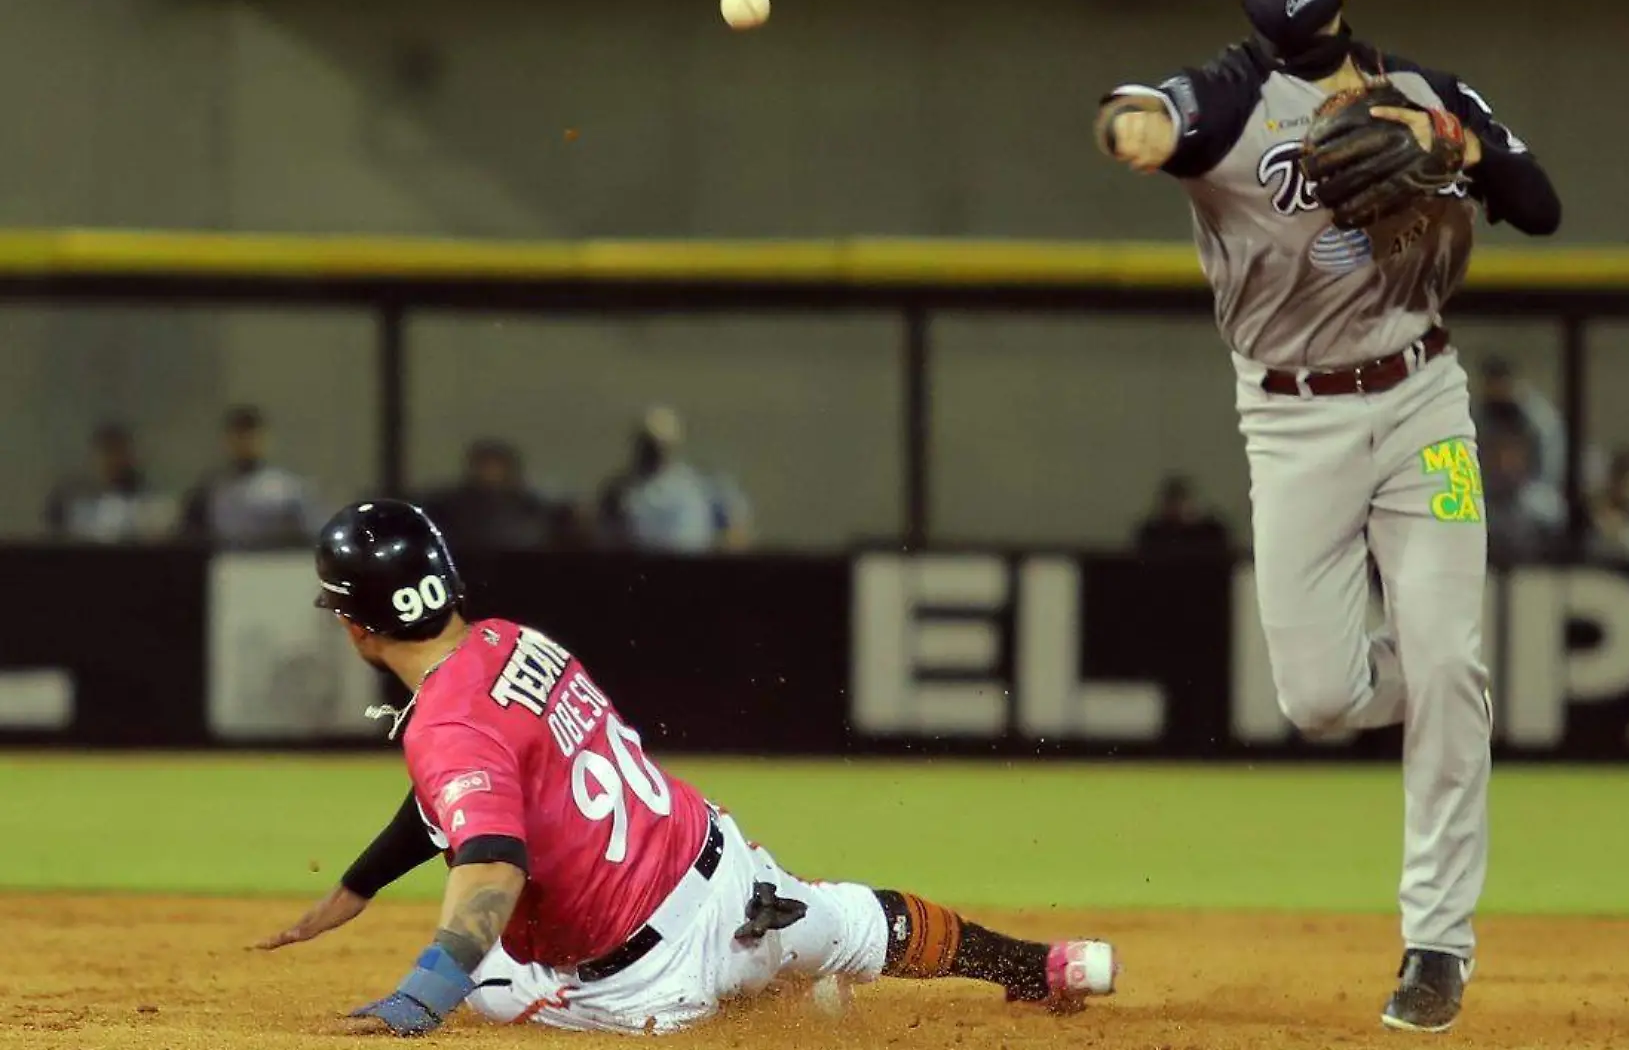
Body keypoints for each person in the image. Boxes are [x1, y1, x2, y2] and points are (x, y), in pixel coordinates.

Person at [1094, 0, 1559, 1031]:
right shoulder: (1228, 95)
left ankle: (1435, 944)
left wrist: (1457, 144)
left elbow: (1539, 204)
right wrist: (1136, 129)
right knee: (1318, 701)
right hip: (1292, 421)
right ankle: (1453, 685)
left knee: (1444, 661)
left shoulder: (1424, 91)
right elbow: (1140, 115)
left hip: (1421, 400)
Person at [257, 501, 1116, 1036]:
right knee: (866, 923)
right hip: (727, 872)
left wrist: (421, 998)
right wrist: (362, 882)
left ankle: (755, 1003)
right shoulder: (511, 641)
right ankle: (1040, 968)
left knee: (484, 984)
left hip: (651, 982)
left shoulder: (444, 726)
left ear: (357, 626)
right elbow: (468, 790)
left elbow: (491, 860)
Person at [597, 407, 752, 554]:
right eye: (648, 444)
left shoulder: (702, 484)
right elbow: (603, 535)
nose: (654, 450)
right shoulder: (619, 491)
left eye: (659, 444)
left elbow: (737, 530)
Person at [179, 405, 319, 548]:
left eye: (251, 434)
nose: (245, 442)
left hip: (276, 564)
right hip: (226, 564)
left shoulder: (287, 490)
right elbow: (189, 537)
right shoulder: (209, 491)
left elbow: (311, 535)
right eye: (239, 435)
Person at [418, 440, 562, 549]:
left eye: (496, 468)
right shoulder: (449, 506)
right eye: (486, 467)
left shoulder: (528, 506)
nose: (491, 474)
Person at [43, 422, 174, 542]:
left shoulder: (148, 505)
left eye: (118, 453)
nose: (113, 461)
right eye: (106, 452)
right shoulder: (70, 500)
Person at [1472, 356, 1565, 497]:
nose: (1495, 390)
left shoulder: (1538, 416)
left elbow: (1552, 459)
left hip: (1532, 489)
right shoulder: (1480, 414)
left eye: (1499, 383)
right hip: (1490, 491)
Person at [1479, 418, 1565, 560]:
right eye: (1498, 452)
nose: (1504, 462)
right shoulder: (1478, 505)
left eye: (1512, 453)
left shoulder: (1546, 509)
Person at [1133, 474, 1231, 556]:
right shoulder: (1152, 534)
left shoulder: (1211, 532)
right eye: (1173, 502)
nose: (1177, 508)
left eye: (1181, 501)